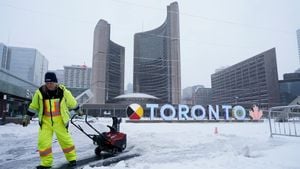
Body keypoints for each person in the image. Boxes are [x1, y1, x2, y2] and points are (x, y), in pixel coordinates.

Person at [22, 72, 82, 169]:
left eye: (51, 83)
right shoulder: (40, 92)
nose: (49, 85)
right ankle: (46, 163)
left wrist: (78, 110)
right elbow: (33, 106)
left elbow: (72, 102)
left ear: (55, 82)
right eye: (47, 83)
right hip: (45, 122)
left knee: (66, 141)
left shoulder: (63, 91)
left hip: (60, 121)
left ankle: (72, 159)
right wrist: (27, 117)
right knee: (43, 142)